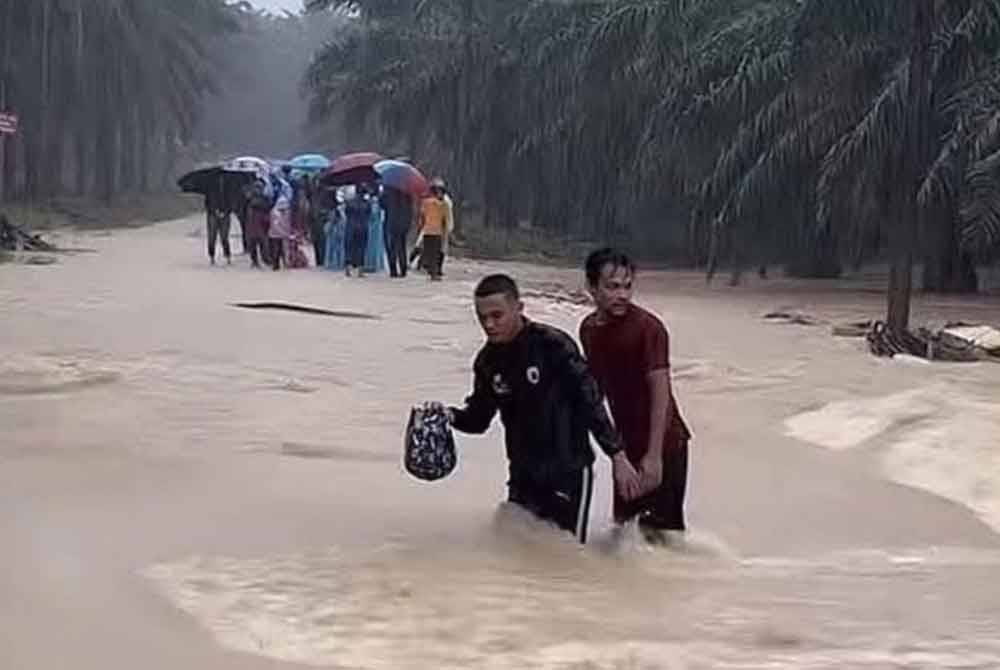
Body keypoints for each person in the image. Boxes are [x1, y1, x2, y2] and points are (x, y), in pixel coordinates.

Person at [439, 274, 643, 544]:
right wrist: (448, 415)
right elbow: (478, 419)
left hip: (567, 470)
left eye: (497, 315)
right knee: (515, 550)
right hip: (523, 473)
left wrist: (617, 455)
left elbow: (589, 402)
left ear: (519, 308)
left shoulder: (553, 345)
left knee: (568, 557)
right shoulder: (487, 362)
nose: (489, 324)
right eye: (482, 318)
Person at [579, 248, 693, 542]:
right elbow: (596, 391)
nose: (623, 295)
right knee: (625, 533)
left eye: (628, 286)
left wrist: (654, 457)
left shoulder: (649, 329)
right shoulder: (589, 329)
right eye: (613, 287)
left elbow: (661, 393)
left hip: (665, 442)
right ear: (592, 288)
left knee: (665, 538)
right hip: (625, 444)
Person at [417, 178, 449, 280]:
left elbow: (422, 217)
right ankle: (434, 274)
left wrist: (421, 227)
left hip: (428, 231)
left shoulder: (425, 203)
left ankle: (432, 272)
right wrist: (445, 232)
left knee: (429, 253)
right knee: (435, 253)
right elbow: (445, 220)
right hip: (437, 232)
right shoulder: (443, 205)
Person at [381, 185, 414, 278]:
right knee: (402, 246)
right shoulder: (407, 191)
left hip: (392, 221)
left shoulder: (388, 190)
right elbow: (410, 207)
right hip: (404, 222)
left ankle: (393, 270)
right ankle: (403, 269)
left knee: (392, 246)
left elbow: (382, 204)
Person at [244, 176, 274, 268]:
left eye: (259, 187)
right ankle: (255, 261)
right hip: (252, 223)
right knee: (253, 243)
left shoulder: (265, 198)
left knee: (263, 243)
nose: (258, 189)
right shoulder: (250, 198)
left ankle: (265, 259)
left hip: (261, 223)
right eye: (256, 187)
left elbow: (268, 207)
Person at [344, 184, 372, 277]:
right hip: (363, 227)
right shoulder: (367, 203)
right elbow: (369, 214)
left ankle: (348, 267)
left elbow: (346, 213)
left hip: (351, 227)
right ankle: (360, 269)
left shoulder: (349, 202)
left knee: (349, 247)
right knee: (361, 248)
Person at [204, 184, 232, 265]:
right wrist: (214, 211)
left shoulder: (228, 189)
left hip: (225, 215)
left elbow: (231, 203)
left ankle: (227, 255)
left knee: (224, 237)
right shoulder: (209, 190)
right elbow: (207, 204)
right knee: (212, 236)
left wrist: (225, 211)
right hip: (213, 215)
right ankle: (212, 256)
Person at [364, 185, 387, 274]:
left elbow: (372, 214)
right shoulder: (379, 201)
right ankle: (376, 264)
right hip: (378, 225)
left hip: (371, 225)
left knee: (370, 244)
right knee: (377, 245)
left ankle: (370, 264)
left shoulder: (371, 201)